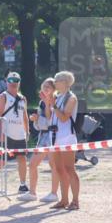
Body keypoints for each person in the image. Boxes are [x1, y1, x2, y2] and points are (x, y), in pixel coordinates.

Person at [18, 78, 60, 202]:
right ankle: (32, 193)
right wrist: (35, 119)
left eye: (48, 87)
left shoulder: (56, 101)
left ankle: (54, 193)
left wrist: (48, 103)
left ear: (54, 89)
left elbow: (50, 119)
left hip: (53, 135)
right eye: (44, 86)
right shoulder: (42, 102)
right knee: (32, 164)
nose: (45, 89)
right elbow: (39, 126)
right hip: (43, 136)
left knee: (54, 165)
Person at [0, 71, 29, 194]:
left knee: (22, 159)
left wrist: (27, 132)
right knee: (2, 160)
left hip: (19, 134)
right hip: (7, 134)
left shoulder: (23, 98)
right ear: (6, 82)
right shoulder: (3, 97)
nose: (13, 83)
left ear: (19, 83)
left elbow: (25, 117)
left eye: (15, 81)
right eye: (10, 81)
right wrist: (1, 134)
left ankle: (22, 184)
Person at [45, 71, 80, 210]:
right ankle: (64, 200)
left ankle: (75, 201)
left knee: (69, 169)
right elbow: (49, 117)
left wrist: (53, 105)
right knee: (59, 169)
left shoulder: (71, 98)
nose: (55, 83)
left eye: (57, 80)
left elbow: (64, 117)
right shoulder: (57, 97)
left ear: (65, 82)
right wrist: (48, 103)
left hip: (67, 137)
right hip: (55, 137)